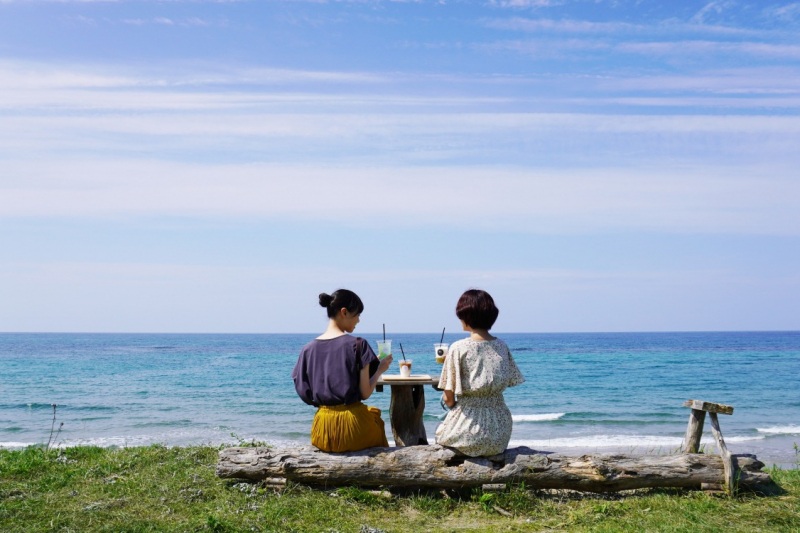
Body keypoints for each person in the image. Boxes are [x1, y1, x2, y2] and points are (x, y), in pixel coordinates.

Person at [292, 289, 393, 452]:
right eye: (357, 315)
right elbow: (365, 393)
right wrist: (380, 369)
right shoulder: (358, 345)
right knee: (376, 421)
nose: (359, 320)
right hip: (351, 427)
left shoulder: (307, 349)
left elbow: (303, 390)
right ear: (344, 312)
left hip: (322, 430)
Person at [435, 289, 525, 457]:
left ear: (466, 316)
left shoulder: (458, 347)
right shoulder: (502, 346)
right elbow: (510, 379)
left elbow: (448, 399)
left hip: (469, 428)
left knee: (439, 434)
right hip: (499, 431)